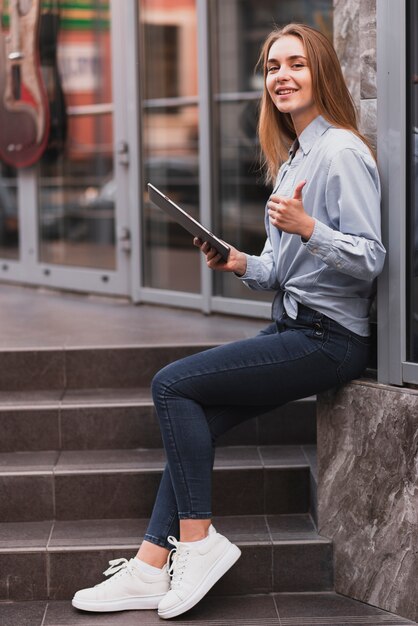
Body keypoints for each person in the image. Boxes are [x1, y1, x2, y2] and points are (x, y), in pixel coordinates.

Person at [72, 22, 386, 620]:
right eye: (272, 67)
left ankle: (198, 543)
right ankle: (147, 566)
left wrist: (310, 229)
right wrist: (239, 260)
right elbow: (279, 271)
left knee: (172, 384)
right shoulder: (295, 155)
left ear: (321, 73)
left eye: (296, 64)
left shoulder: (341, 150)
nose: (282, 77)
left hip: (331, 338)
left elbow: (371, 257)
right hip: (298, 326)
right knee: (197, 420)